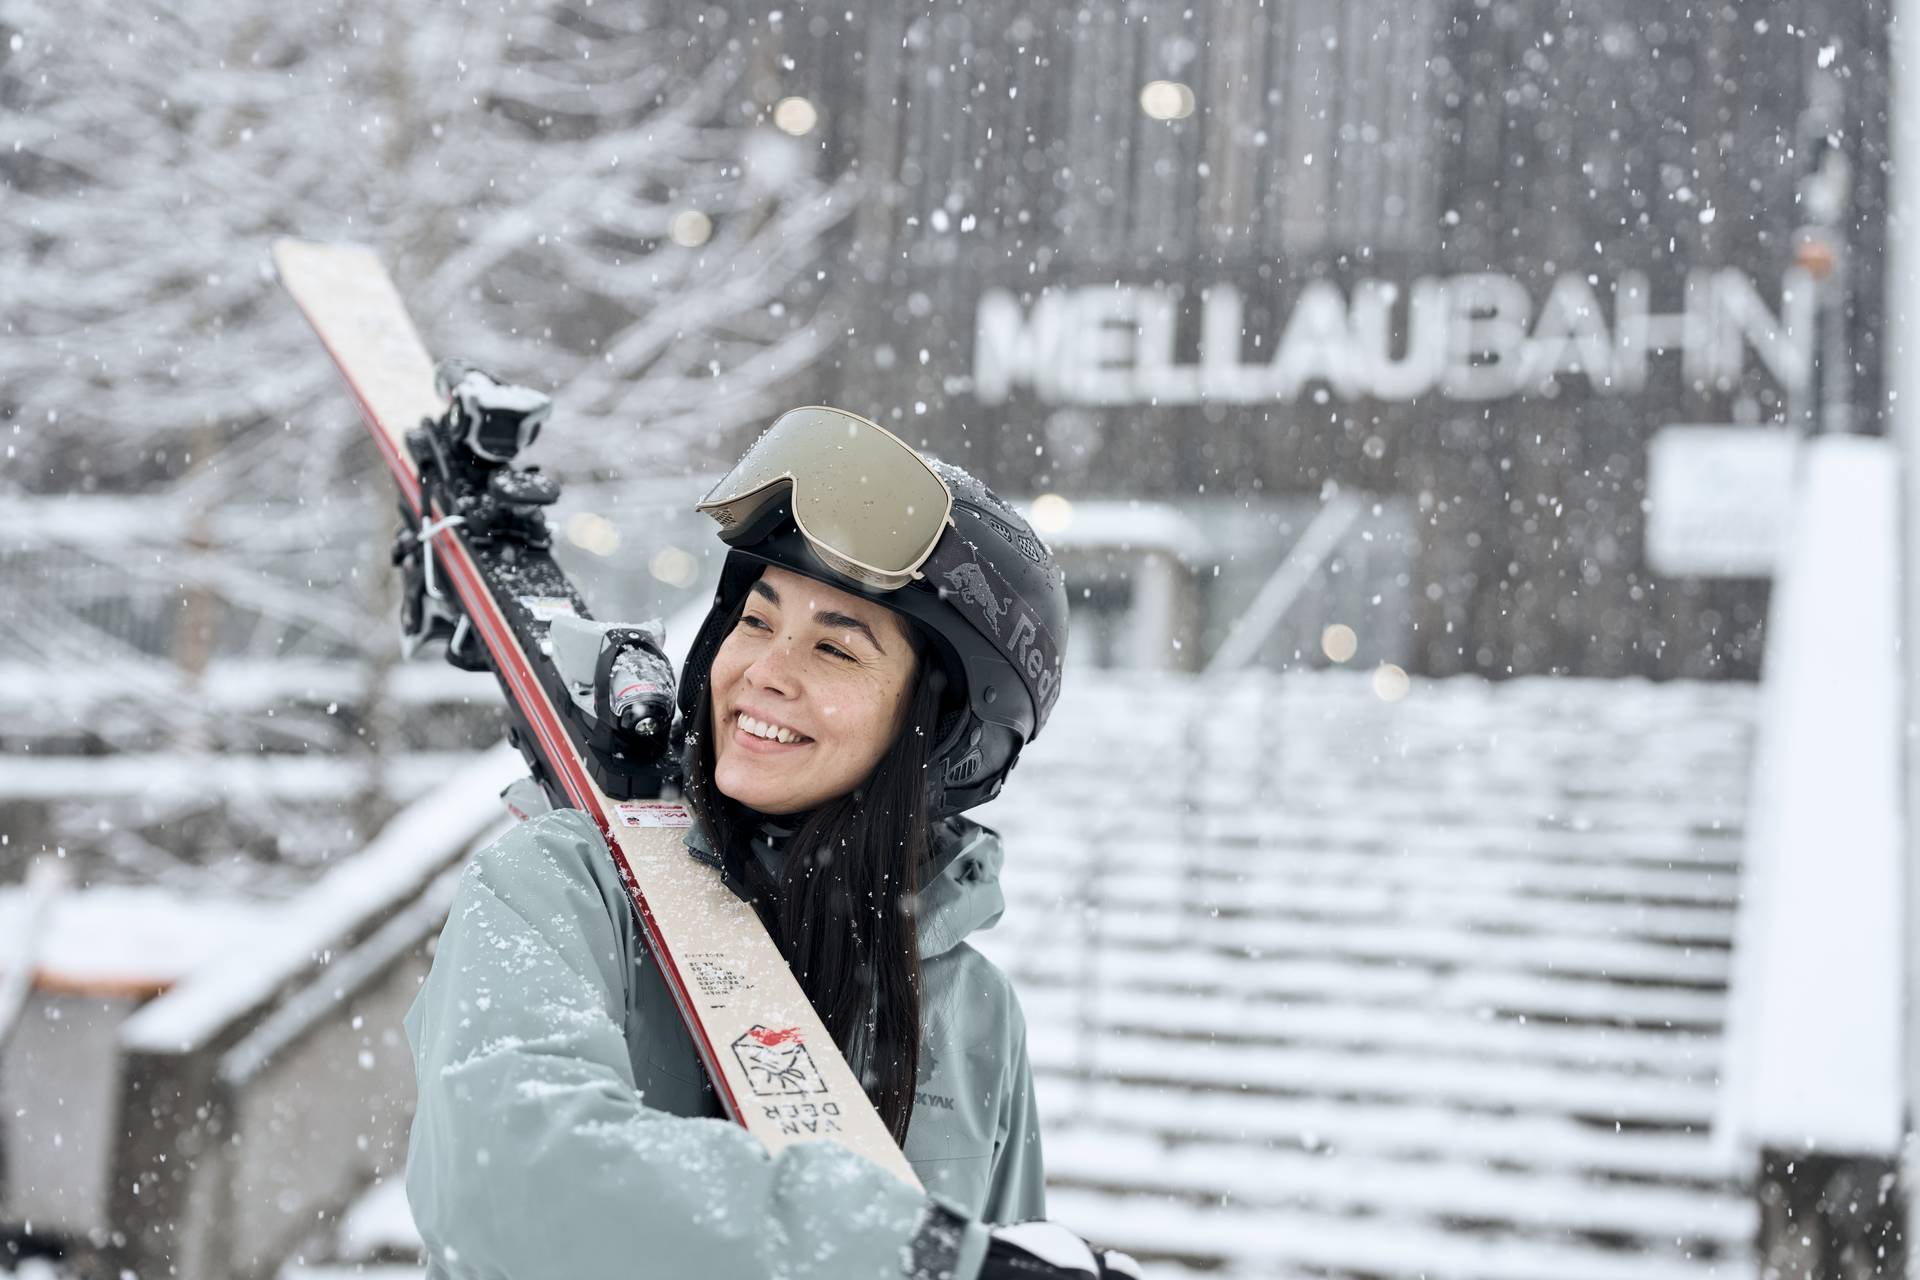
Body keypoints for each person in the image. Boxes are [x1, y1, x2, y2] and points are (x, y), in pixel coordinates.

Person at [402, 406, 1143, 1280]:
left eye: (835, 649)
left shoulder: (975, 1016)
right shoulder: (564, 888)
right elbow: (511, 1185)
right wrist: (910, 1257)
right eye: (757, 621)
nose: (764, 671)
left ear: (941, 734)